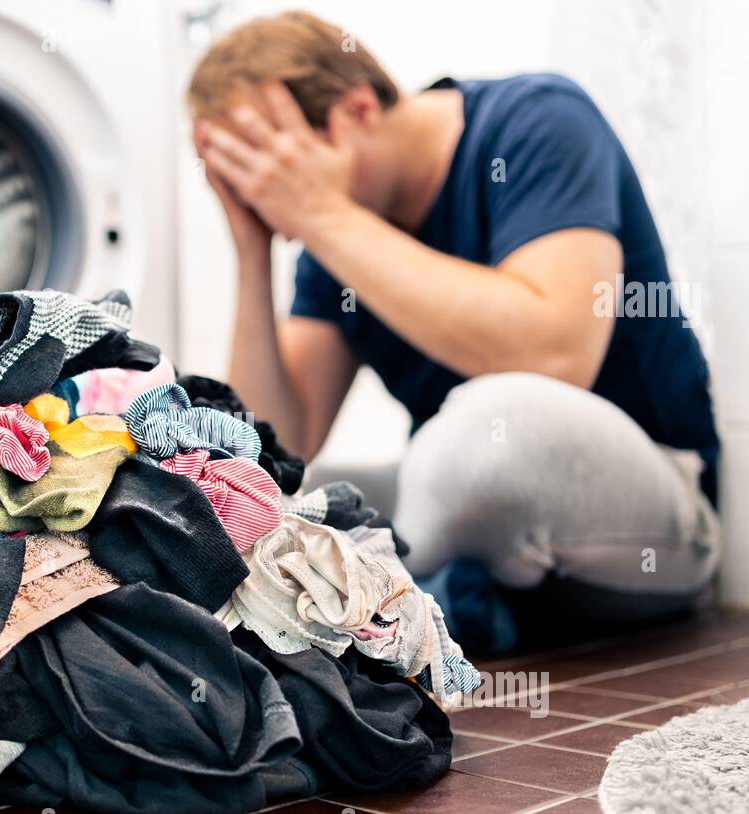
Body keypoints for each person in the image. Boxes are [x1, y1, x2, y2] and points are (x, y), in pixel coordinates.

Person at [188, 11, 720, 653]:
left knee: (483, 435)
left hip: (661, 516)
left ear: (357, 109)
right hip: (477, 522)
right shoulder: (336, 235)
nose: (285, 206)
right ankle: (435, 602)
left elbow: (554, 355)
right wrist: (252, 251)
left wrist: (321, 212)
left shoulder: (538, 119)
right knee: (257, 498)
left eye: (281, 167)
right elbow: (276, 445)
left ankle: (382, 609)